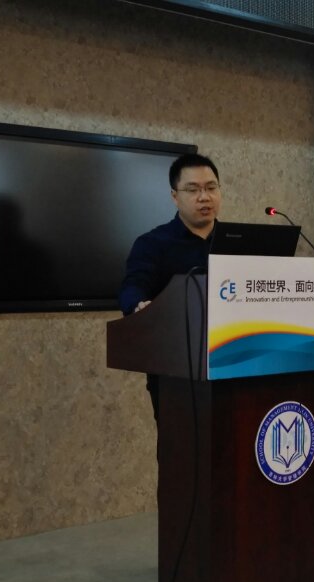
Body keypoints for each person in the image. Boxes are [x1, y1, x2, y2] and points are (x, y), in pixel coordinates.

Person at [118, 152, 222, 423]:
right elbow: (133, 286)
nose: (204, 197)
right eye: (193, 189)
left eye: (211, 188)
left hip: (235, 361)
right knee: (181, 445)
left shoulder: (240, 241)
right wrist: (139, 305)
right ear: (175, 196)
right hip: (175, 368)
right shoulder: (153, 243)